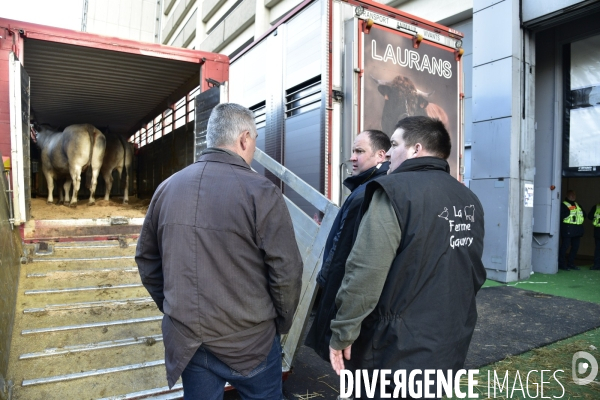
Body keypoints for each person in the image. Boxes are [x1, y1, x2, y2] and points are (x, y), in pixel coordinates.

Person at [135, 103, 303, 399]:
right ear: (244, 139)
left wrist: (175, 308)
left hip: (188, 341)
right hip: (250, 342)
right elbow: (286, 271)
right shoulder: (262, 192)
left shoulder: (166, 189)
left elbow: (147, 259)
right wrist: (281, 322)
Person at [328, 116, 486, 397]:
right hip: (449, 342)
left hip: (394, 350)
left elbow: (365, 272)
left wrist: (343, 332)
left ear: (415, 149)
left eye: (394, 144)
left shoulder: (394, 192)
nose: (388, 153)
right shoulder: (469, 199)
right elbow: (472, 273)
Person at [305, 130, 391, 362]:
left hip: (348, 293)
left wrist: (324, 283)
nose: (352, 157)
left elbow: (342, 252)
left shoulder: (367, 193)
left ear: (381, 155)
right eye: (353, 151)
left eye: (360, 151)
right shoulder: (369, 187)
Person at [558, 190, 584, 271]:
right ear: (567, 195)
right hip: (567, 229)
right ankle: (561, 264)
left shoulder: (578, 205)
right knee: (565, 247)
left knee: (575, 247)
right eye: (571, 195)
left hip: (577, 230)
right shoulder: (563, 205)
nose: (573, 196)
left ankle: (571, 263)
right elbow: (561, 215)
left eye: (574, 194)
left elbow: (584, 215)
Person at [588, 202, 600, 270]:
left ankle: (597, 265)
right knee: (598, 249)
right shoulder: (596, 207)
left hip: (598, 231)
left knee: (598, 249)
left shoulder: (596, 207)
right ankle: (597, 265)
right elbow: (590, 216)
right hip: (598, 231)